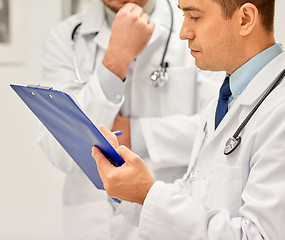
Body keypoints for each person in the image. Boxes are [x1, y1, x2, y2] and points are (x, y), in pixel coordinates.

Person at [92, 0, 285, 239]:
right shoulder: (229, 98)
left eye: (195, 16)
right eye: (183, 15)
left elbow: (258, 236)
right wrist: (129, 193)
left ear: (245, 19)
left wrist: (148, 194)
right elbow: (198, 192)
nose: (184, 32)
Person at [38, 0, 223, 239]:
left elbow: (220, 134)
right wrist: (115, 60)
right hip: (91, 224)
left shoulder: (194, 29)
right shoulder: (65, 39)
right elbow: (59, 149)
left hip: (171, 220)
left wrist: (136, 133)